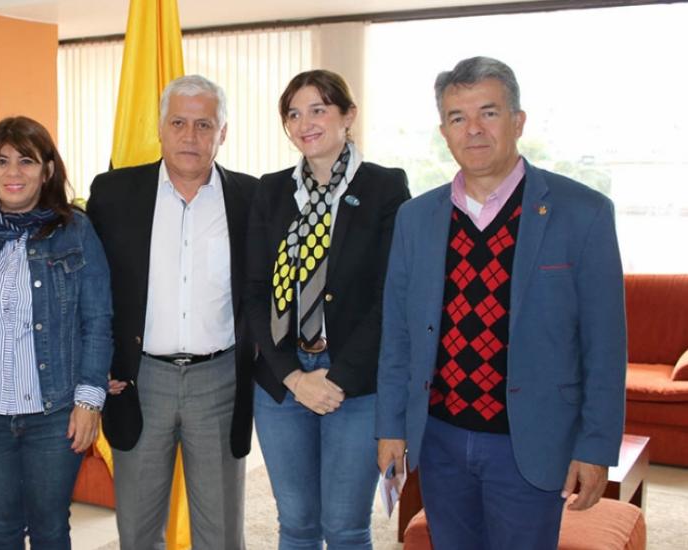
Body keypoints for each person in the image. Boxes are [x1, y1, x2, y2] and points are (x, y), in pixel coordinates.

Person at [376, 56, 627, 549]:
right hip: (441, 440)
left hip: (530, 443)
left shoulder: (584, 213)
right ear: (444, 132)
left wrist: (596, 447)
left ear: (517, 121)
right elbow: (398, 336)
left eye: (488, 113)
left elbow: (605, 345)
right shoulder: (416, 217)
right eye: (457, 117)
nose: (473, 129)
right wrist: (390, 428)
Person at [87, 74, 257, 550]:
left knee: (221, 534)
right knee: (138, 533)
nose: (190, 136)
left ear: (223, 133)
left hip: (220, 381)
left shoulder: (251, 198)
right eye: (179, 122)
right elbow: (91, 289)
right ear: (160, 128)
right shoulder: (113, 193)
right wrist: (99, 362)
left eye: (204, 125)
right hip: (140, 379)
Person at [0, 116, 112, 550]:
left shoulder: (76, 231)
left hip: (56, 412)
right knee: (1, 529)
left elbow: (98, 320)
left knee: (50, 528)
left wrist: (89, 401)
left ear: (47, 170)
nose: (13, 172)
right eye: (2, 161)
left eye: (26, 161)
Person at [244, 70, 409, 549]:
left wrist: (336, 378)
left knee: (345, 526)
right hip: (282, 378)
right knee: (296, 522)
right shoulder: (271, 190)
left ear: (348, 115)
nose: (305, 123)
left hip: (354, 380)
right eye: (294, 114)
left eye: (318, 109)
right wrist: (294, 377)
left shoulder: (384, 187)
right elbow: (255, 290)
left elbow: (391, 295)